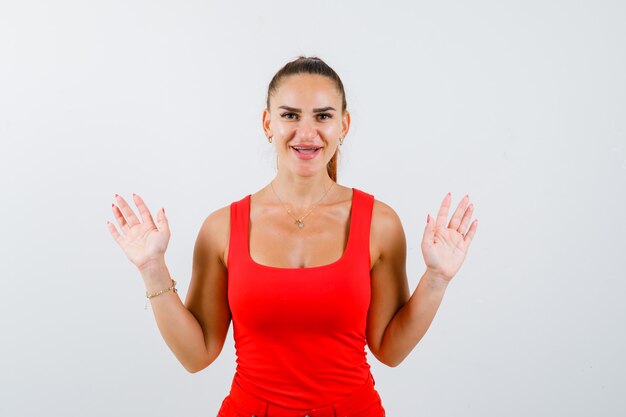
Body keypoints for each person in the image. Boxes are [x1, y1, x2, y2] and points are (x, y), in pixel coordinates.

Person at [107, 56, 478, 417]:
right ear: (268, 123)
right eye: (289, 115)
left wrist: (437, 279)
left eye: (323, 116)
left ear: (343, 125)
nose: (306, 132)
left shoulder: (380, 223)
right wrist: (152, 267)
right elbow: (196, 355)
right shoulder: (221, 228)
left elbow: (389, 349)